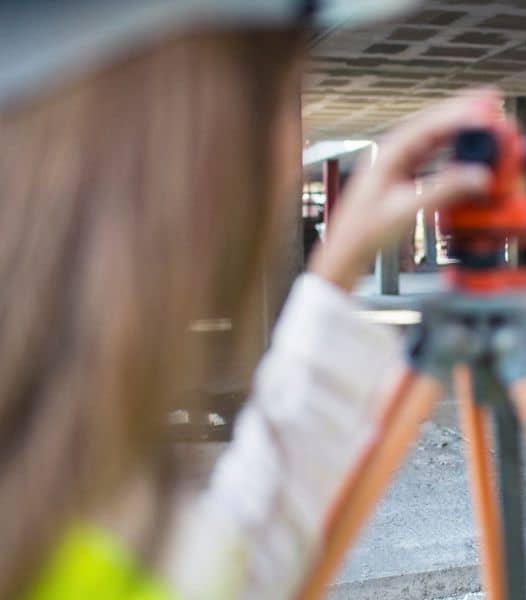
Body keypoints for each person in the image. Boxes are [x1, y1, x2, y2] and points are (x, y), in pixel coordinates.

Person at [0, 2, 497, 598]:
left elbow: (227, 570)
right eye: (279, 98)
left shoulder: (66, 500)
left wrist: (335, 271)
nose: (293, 148)